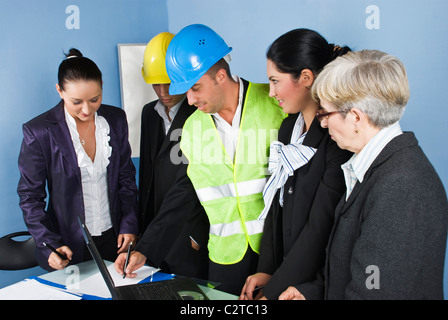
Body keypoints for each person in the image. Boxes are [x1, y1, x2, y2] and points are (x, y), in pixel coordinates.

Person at [115, 24, 286, 295]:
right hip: (225, 257)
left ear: (220, 75)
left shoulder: (275, 105)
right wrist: (145, 249)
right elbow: (184, 192)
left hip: (276, 250)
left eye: (195, 87)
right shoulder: (193, 128)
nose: (191, 99)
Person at [279, 49, 448, 300]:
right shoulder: (378, 167)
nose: (322, 124)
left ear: (356, 117)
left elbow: (377, 293)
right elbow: (355, 267)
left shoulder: (401, 187)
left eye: (325, 113)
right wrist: (312, 293)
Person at [239, 29, 352, 300]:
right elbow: (277, 208)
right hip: (284, 272)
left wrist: (276, 288)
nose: (271, 92)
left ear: (305, 78)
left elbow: (319, 227)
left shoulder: (335, 139)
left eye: (275, 81)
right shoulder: (287, 127)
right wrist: (267, 271)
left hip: (314, 283)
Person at [17, 48, 139, 271]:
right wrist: (49, 244)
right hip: (66, 246)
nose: (86, 110)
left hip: (115, 239)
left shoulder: (116, 119)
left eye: (95, 99)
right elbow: (30, 197)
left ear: (102, 84)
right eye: (76, 102)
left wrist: (130, 224)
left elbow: (126, 178)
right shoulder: (40, 132)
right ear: (59, 91)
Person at [138, 32, 209, 279]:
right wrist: (142, 230)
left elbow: (199, 180)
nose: (162, 91)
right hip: (153, 232)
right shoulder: (149, 113)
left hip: (188, 233)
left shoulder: (201, 113)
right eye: (155, 84)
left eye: (168, 82)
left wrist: (198, 234)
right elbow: (148, 175)